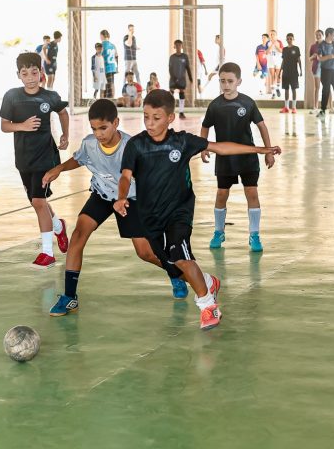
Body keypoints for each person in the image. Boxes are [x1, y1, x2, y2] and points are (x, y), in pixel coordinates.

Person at [116, 89, 280, 330]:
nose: (149, 123)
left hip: (179, 211)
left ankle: (208, 306)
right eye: (146, 117)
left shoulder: (182, 142)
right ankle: (207, 282)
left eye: (156, 118)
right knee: (170, 262)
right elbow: (125, 176)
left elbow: (220, 147)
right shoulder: (136, 145)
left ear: (170, 118)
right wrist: (121, 197)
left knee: (181, 256)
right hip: (150, 214)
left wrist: (259, 149)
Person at [45, 100, 189, 316]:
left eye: (103, 128)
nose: (99, 134)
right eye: (94, 128)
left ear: (116, 123)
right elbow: (79, 159)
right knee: (78, 235)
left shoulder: (132, 147)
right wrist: (59, 168)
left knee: (145, 253)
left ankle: (177, 273)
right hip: (102, 194)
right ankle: (69, 297)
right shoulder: (90, 143)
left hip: (131, 199)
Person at [0, 52, 70, 268]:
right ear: (18, 75)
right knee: (37, 201)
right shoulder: (12, 96)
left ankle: (47, 252)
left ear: (41, 73)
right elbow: (4, 126)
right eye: (25, 73)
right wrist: (22, 126)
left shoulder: (50, 97)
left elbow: (63, 113)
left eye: (34, 72)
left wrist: (65, 135)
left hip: (45, 157)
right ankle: (58, 226)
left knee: (39, 201)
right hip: (23, 159)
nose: (30, 77)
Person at [200, 62, 276, 253]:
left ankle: (254, 234)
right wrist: (203, 147)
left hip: (247, 158)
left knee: (252, 193)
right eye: (222, 81)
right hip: (225, 158)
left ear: (239, 82)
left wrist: (268, 151)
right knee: (221, 194)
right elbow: (205, 126)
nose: (226, 85)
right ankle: (218, 232)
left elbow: (262, 126)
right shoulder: (215, 105)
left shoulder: (248, 103)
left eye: (230, 81)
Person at [168, 40, 193, 119]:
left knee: (181, 94)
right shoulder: (172, 57)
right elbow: (170, 69)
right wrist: (174, 78)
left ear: (182, 46)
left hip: (182, 79)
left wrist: (190, 78)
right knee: (171, 94)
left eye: (179, 45)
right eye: (177, 45)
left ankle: (181, 112)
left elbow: (188, 68)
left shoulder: (185, 56)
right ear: (174, 46)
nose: (178, 47)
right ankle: (169, 111)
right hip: (173, 79)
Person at [280, 33, 302, 113]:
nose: (289, 40)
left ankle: (294, 107)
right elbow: (283, 61)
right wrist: (280, 71)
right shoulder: (284, 49)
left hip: (294, 72)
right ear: (286, 39)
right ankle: (286, 107)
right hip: (285, 72)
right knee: (286, 89)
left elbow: (299, 60)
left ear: (293, 39)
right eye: (288, 39)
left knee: (293, 89)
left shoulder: (296, 48)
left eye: (291, 39)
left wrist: (301, 70)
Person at [308, 29, 324, 114]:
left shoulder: (326, 44)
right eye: (316, 35)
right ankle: (315, 107)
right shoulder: (313, 46)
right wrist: (314, 56)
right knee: (317, 87)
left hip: (325, 68)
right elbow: (309, 58)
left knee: (327, 87)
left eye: (319, 35)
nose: (318, 36)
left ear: (323, 35)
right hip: (316, 68)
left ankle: (331, 107)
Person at [100, 30, 118, 99]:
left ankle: (102, 101)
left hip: (105, 68)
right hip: (112, 67)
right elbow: (116, 56)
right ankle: (112, 99)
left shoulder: (101, 45)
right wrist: (116, 68)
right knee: (111, 84)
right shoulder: (113, 45)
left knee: (103, 86)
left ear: (102, 36)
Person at [266, 30, 283, 99]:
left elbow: (281, 51)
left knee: (278, 76)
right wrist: (272, 44)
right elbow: (266, 52)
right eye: (271, 34)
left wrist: (275, 45)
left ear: (276, 35)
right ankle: (273, 93)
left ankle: (277, 88)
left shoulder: (279, 42)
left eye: (273, 34)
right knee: (272, 76)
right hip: (271, 61)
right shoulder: (268, 43)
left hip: (278, 61)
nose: (272, 35)